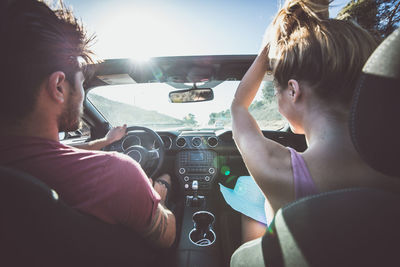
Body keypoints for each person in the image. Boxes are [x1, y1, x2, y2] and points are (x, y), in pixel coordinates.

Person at [227, 0, 400, 264]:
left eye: (277, 89)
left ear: (293, 91)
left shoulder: (276, 169)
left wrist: (270, 50)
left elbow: (238, 106)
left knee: (248, 191)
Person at [0, 0, 175, 248]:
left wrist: (107, 141)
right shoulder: (117, 174)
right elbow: (167, 238)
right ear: (59, 87)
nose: (82, 93)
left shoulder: (13, 165)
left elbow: (58, 154)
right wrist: (161, 193)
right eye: (82, 83)